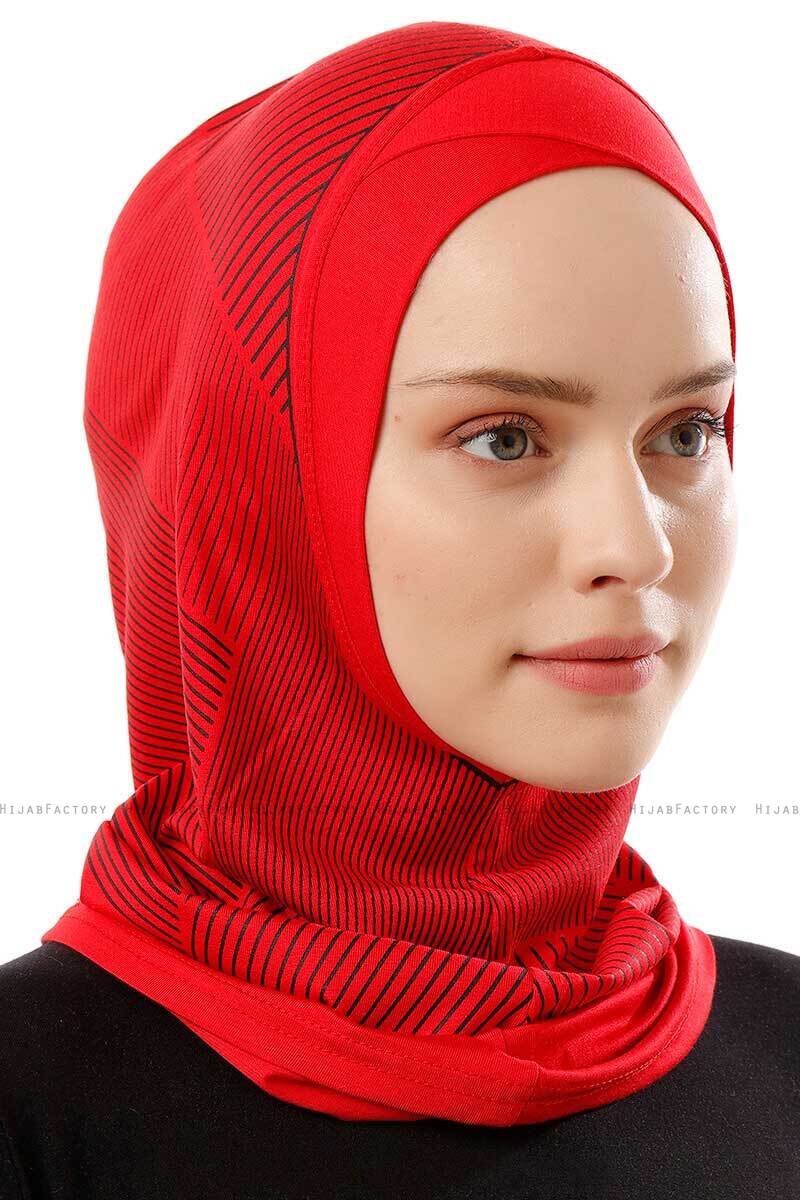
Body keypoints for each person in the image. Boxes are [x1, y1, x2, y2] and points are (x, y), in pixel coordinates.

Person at [1, 18, 798, 1198]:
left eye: (684, 433)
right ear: (256, 488)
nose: (634, 546)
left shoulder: (784, 1055)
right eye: (503, 438)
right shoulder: (33, 1110)